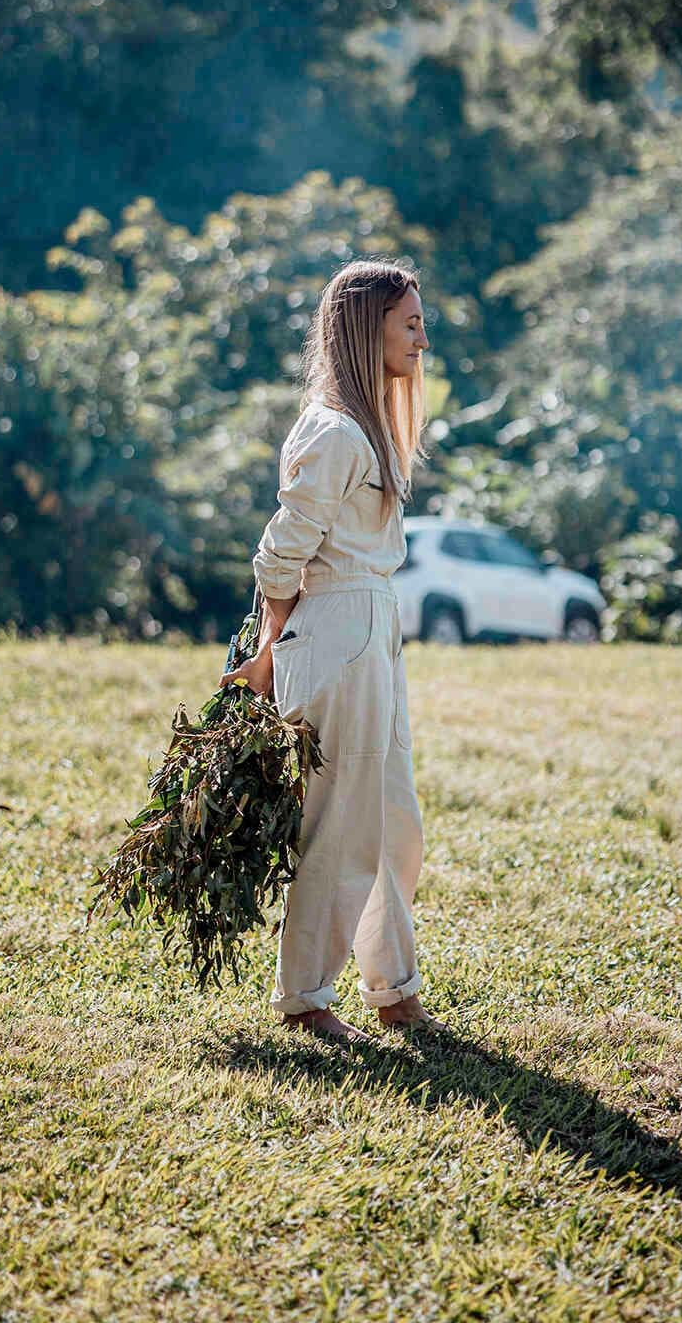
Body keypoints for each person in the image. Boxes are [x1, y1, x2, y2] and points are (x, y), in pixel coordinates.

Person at [221, 260, 449, 1045]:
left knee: (393, 821)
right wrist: (270, 649)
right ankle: (307, 999)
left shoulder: (366, 426)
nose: (423, 337)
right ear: (367, 328)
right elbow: (279, 556)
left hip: (372, 621)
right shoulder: (333, 430)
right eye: (409, 323)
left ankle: (395, 989)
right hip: (337, 624)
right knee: (343, 825)